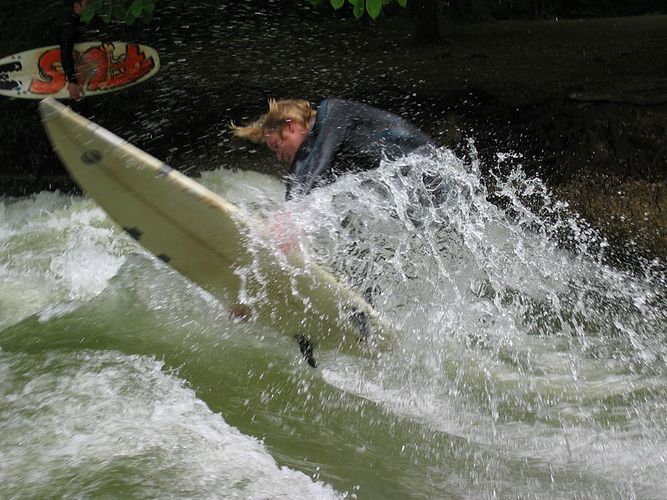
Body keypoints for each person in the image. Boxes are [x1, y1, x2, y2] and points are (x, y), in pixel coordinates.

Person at [231, 97, 436, 200]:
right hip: (413, 191)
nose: (278, 156)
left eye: (277, 146)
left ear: (290, 126)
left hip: (431, 171)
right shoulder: (310, 153)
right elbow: (299, 179)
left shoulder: (334, 112)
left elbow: (322, 155)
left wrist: (292, 215)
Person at [60, 0, 89, 100]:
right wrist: (72, 81)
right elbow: (65, 51)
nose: (90, 6)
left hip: (77, 72)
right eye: (87, 3)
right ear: (77, 5)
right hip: (68, 74)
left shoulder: (79, 20)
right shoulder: (69, 22)